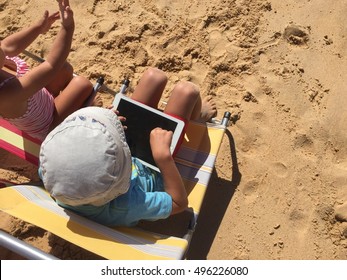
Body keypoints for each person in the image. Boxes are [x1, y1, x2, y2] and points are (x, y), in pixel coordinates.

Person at [39, 67, 217, 227]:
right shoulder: (126, 205)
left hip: (115, 160)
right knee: (187, 92)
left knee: (153, 77)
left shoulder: (55, 176)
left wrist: (106, 119)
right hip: (153, 166)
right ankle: (197, 119)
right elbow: (179, 203)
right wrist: (163, 157)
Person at [0, 0, 93, 141]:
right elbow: (51, 65)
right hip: (47, 123)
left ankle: (67, 101)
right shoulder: (8, 93)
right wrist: (67, 28)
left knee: (65, 68)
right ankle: (77, 111)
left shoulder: (2, 56)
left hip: (39, 98)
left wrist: (38, 28)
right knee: (82, 84)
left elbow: (9, 46)